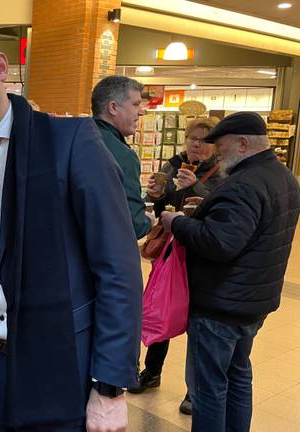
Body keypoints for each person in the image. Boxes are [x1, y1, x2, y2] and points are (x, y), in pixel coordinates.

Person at [0, 10, 142, 431]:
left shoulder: (71, 143)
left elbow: (117, 269)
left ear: (1, 65)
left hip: (61, 367)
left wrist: (110, 385)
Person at [160, 112, 300, 432]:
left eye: (220, 145)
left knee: (209, 388)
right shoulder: (283, 177)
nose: (217, 152)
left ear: (242, 143)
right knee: (239, 377)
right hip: (254, 300)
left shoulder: (243, 184)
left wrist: (178, 223)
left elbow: (220, 244)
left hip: (220, 303)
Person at [131, 117, 224, 412]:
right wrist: (157, 196)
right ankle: (152, 371)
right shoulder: (173, 166)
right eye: (192, 138)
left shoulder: (223, 173)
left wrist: (196, 185)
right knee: (163, 309)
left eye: (205, 140)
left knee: (197, 322)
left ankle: (193, 390)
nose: (197, 144)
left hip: (201, 255)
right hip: (171, 253)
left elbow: (222, 210)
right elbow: (162, 209)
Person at [92, 75, 154, 239]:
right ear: (113, 107)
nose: (141, 111)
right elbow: (133, 225)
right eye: (135, 104)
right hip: (102, 254)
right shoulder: (121, 154)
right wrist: (148, 221)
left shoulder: (74, 139)